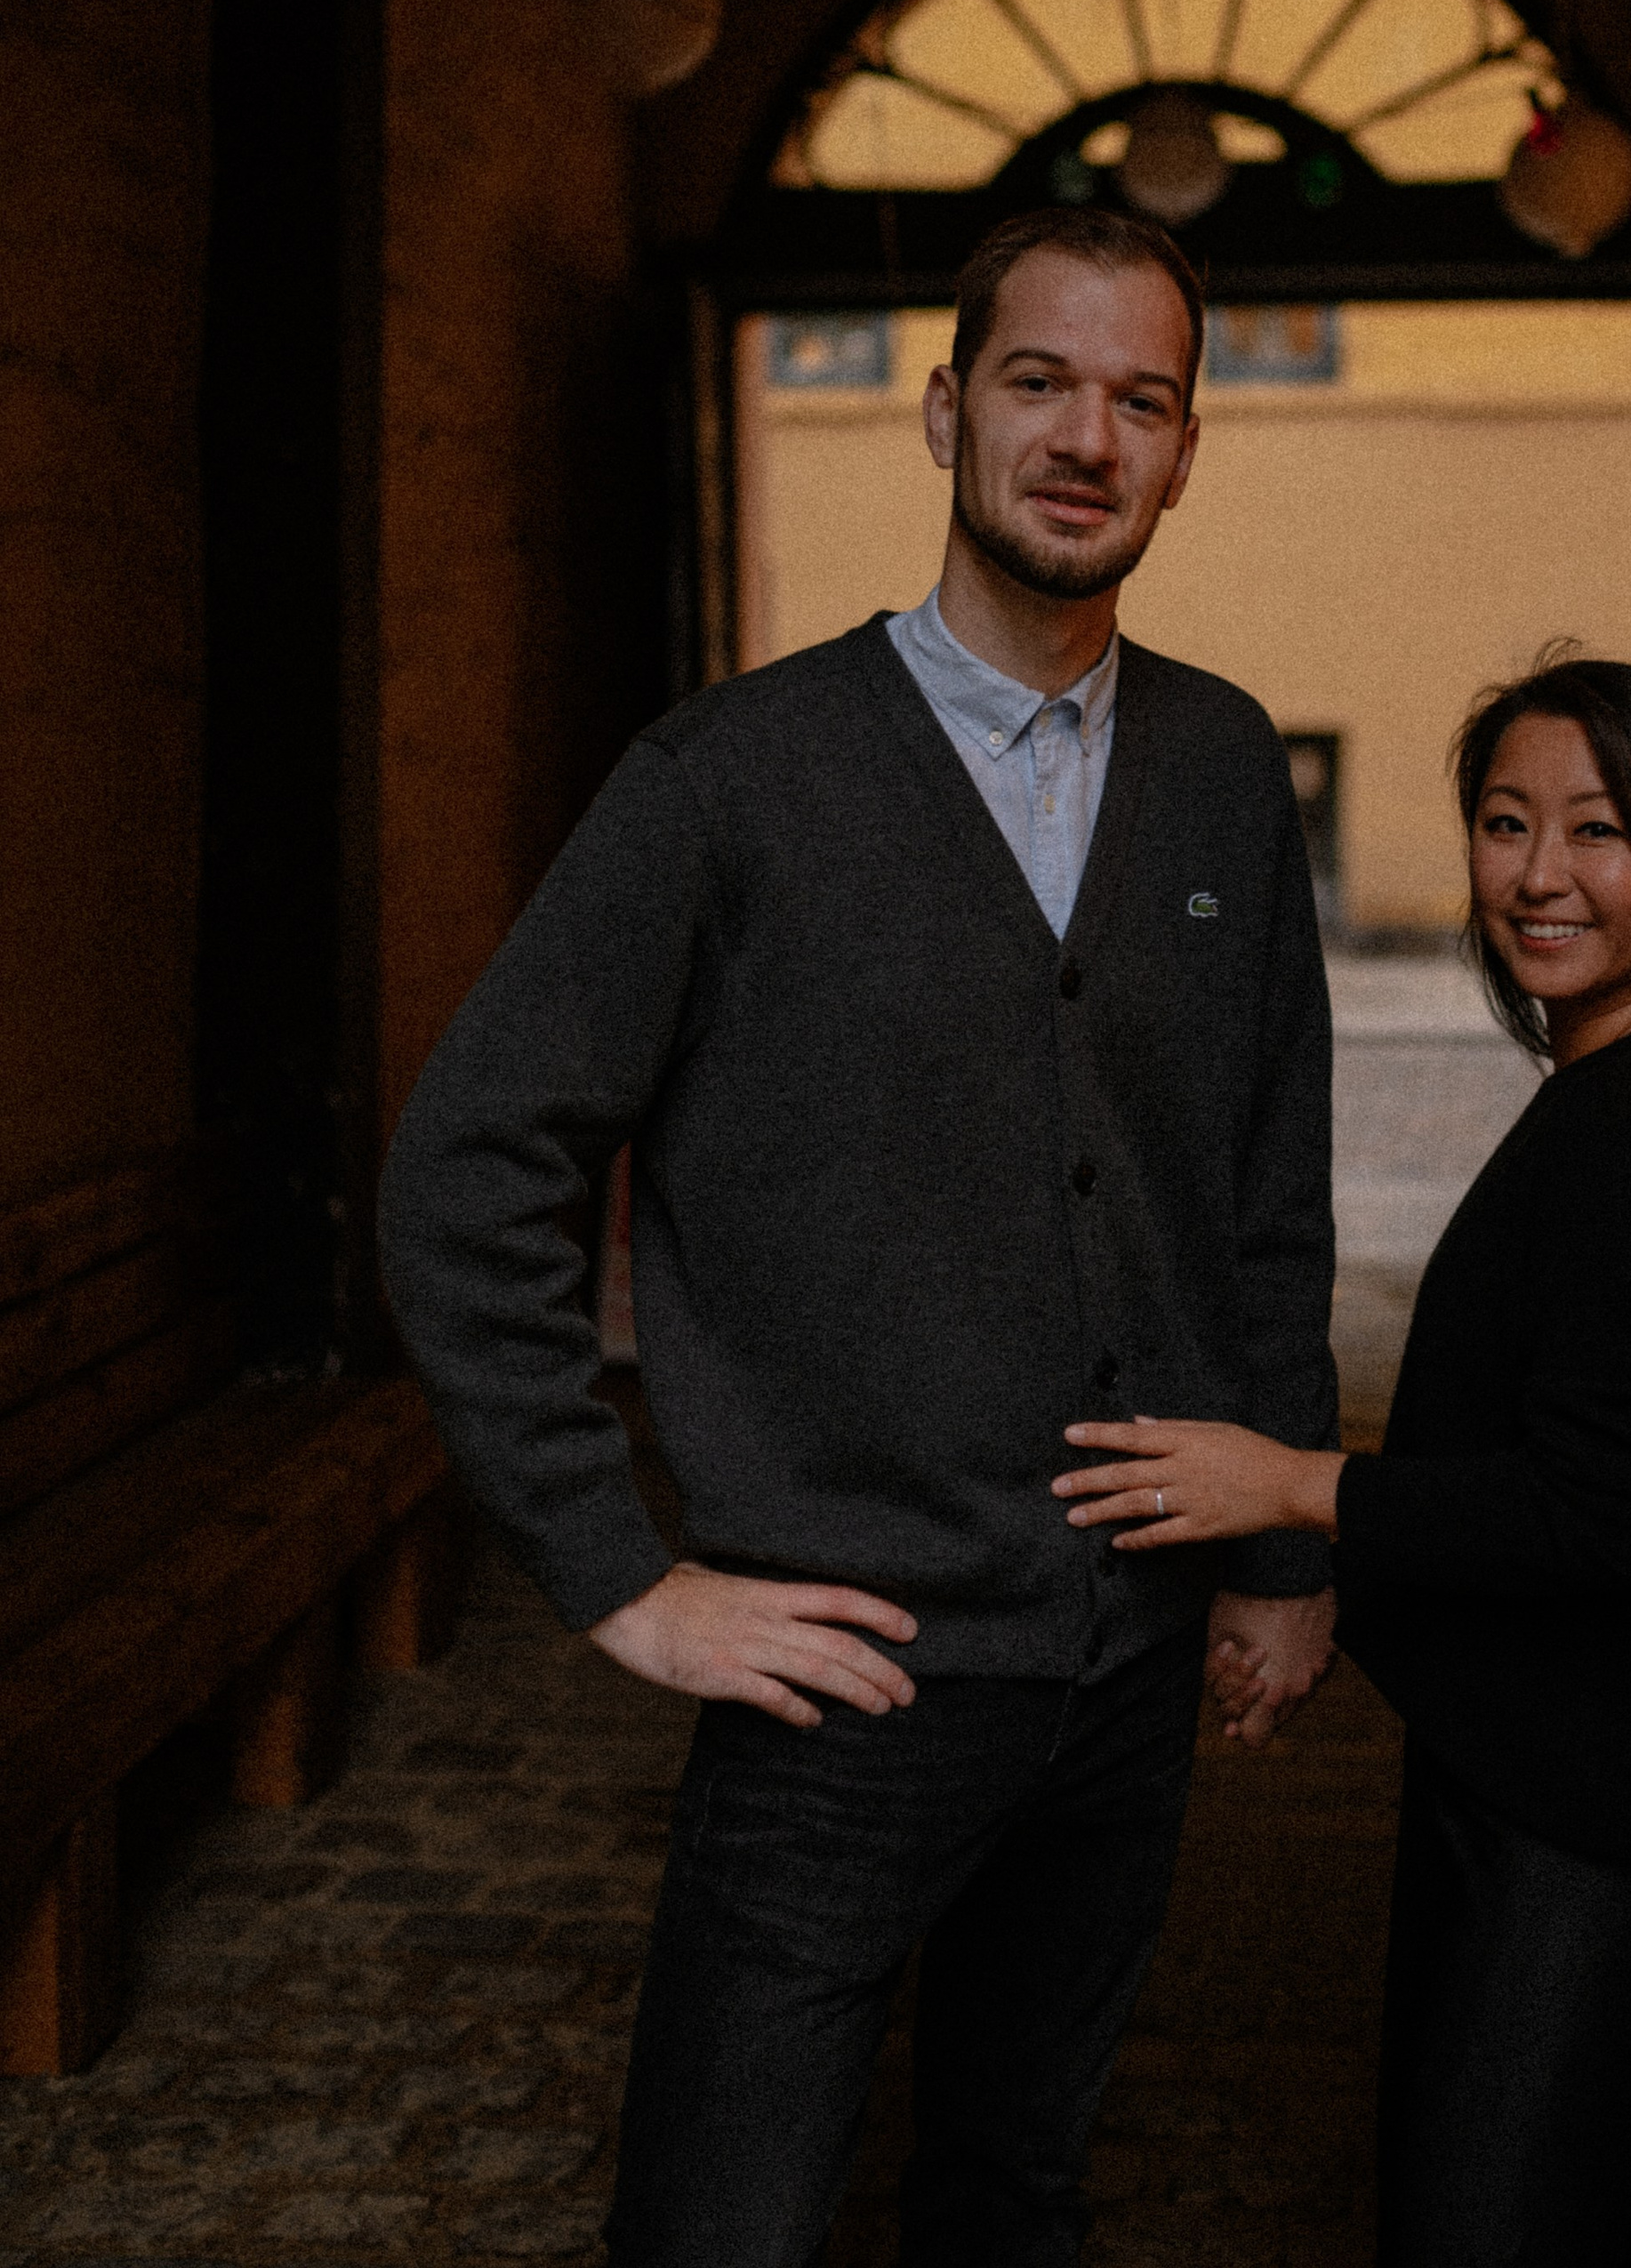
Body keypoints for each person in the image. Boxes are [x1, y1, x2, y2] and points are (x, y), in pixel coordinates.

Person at [378, 206, 1341, 2268]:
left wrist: (1273, 1556)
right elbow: (471, 1160)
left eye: (1139, 397)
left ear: (1182, 456)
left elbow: (1264, 1193)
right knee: (720, 2226)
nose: (1085, 434)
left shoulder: (1223, 772)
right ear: (942, 411)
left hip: (1131, 1665)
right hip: (845, 1684)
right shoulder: (728, 782)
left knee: (1016, 2192)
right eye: (1036, 380)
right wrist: (617, 1571)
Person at [1056, 653, 1631, 2268]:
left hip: (1591, 1838)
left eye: (1598, 832)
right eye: (1504, 824)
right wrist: (1344, 1592)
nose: (1539, 876)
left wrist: (1291, 1486)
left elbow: (1605, 1507)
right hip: (1602, 1807)